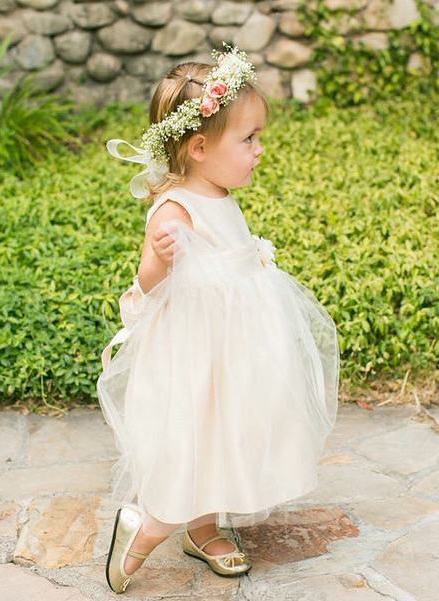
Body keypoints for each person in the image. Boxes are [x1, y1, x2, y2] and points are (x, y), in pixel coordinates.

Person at [97, 43, 340, 594]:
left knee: (229, 437)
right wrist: (160, 258)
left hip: (237, 351)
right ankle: (144, 531)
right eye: (249, 139)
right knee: (194, 438)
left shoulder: (220, 191)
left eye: (259, 138)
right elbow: (149, 282)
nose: (259, 150)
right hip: (197, 356)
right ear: (200, 147)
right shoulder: (176, 206)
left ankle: (202, 529)